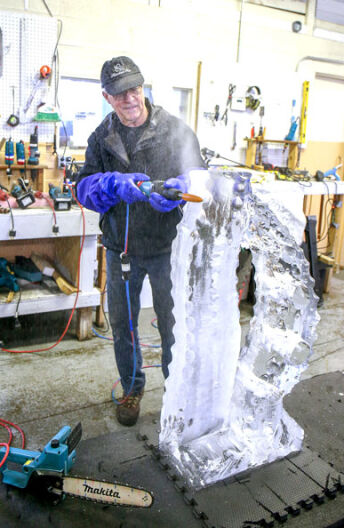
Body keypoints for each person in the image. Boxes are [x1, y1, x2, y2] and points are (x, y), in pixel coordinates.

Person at [76, 56, 205, 426]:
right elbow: (83, 190)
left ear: (143, 86)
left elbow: (202, 179)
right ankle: (132, 387)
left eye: (134, 89)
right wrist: (110, 185)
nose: (129, 99)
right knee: (124, 325)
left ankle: (176, 389)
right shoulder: (101, 138)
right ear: (107, 97)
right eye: (119, 94)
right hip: (122, 251)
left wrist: (185, 188)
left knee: (172, 325)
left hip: (168, 249)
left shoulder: (176, 131)